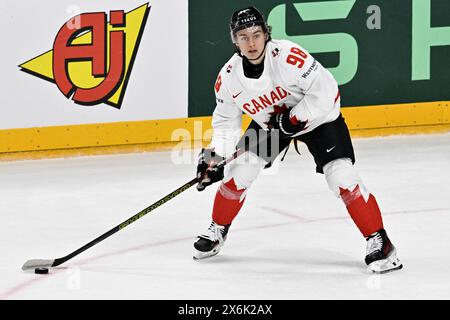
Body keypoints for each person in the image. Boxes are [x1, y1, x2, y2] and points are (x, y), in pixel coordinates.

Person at [193, 7, 402, 274]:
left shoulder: (288, 56)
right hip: (271, 125)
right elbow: (225, 121)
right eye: (244, 37)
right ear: (235, 41)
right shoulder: (228, 78)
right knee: (238, 172)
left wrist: (294, 118)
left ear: (266, 34)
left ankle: (380, 242)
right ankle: (218, 229)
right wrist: (215, 157)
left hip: (319, 120)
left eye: (257, 34)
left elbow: (327, 89)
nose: (252, 42)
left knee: (342, 178)